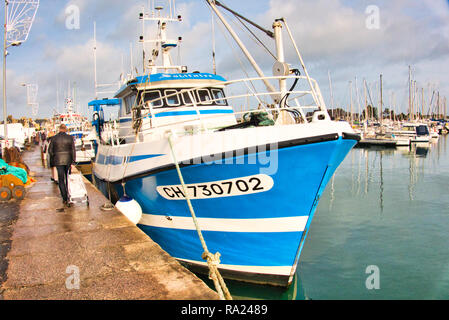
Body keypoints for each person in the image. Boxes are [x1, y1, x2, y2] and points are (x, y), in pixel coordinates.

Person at [48, 124, 76, 209]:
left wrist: (55, 156)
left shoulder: (54, 138)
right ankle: (69, 194)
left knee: (61, 179)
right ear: (66, 130)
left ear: (59, 129)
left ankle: (64, 198)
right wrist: (73, 161)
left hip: (58, 161)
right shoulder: (70, 138)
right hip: (68, 161)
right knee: (68, 178)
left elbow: (50, 150)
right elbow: (73, 150)